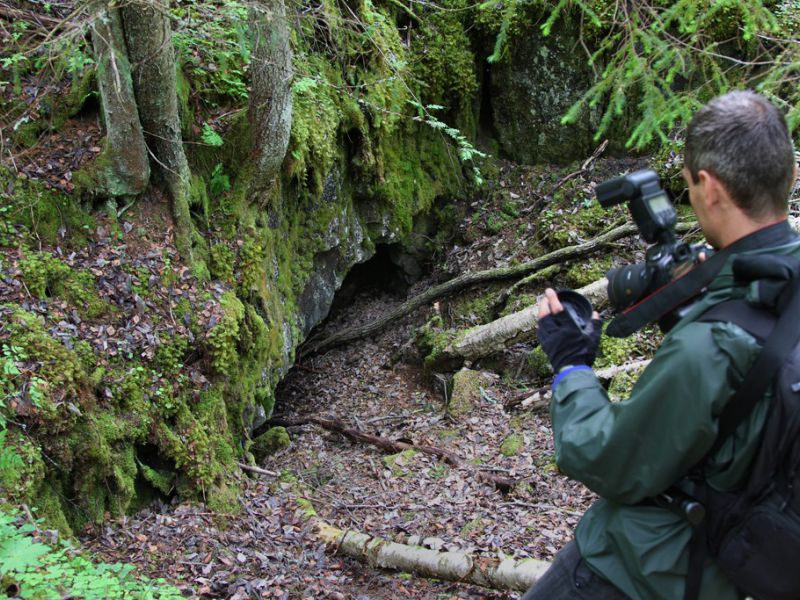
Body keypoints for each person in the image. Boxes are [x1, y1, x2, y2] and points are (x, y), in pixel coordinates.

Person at [522, 90, 800, 600]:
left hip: (647, 570)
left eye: (691, 185)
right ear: (791, 176)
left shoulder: (710, 347)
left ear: (710, 188)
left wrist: (570, 365)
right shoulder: (780, 286)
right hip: (756, 569)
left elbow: (610, 460)